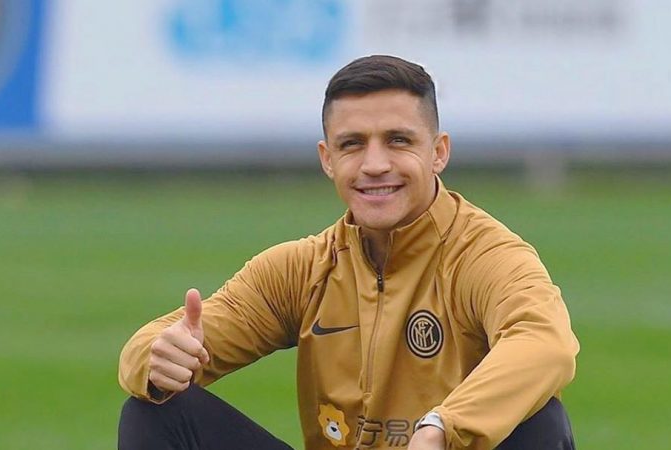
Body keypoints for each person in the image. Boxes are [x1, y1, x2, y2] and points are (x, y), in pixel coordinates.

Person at [118, 55, 579, 450]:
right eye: (352, 144)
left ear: (438, 152)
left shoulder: (485, 255)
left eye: (398, 140)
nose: (375, 165)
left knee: (541, 420)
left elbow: (544, 343)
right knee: (156, 410)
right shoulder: (302, 269)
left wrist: (443, 427)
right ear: (327, 159)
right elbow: (152, 346)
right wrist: (156, 359)